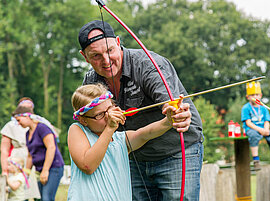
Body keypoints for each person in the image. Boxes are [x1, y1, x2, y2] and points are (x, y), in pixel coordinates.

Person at [78, 20, 203, 200]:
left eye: (110, 50)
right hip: (133, 158)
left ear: (118, 42)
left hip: (175, 150)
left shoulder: (147, 64)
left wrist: (174, 113)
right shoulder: (91, 81)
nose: (106, 61)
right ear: (85, 56)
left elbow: (168, 101)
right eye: (96, 56)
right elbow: (90, 124)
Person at [67, 84, 189, 200]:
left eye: (110, 109)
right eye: (99, 114)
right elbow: (88, 165)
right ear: (83, 120)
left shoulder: (120, 140)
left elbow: (146, 134)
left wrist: (169, 120)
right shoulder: (78, 130)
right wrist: (109, 128)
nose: (109, 116)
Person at [12, 106, 64, 201]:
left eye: (19, 120)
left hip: (53, 168)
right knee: (41, 198)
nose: (18, 124)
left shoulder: (42, 128)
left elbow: (51, 147)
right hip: (40, 169)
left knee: (47, 198)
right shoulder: (28, 133)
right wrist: (26, 173)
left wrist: (45, 170)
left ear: (27, 116)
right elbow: (30, 155)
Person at [1, 98, 41, 200]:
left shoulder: (37, 124)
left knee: (35, 189)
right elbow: (4, 150)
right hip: (17, 160)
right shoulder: (10, 126)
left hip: (33, 157)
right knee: (17, 190)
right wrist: (5, 168)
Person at [241, 81, 270, 172]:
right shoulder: (246, 108)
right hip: (252, 129)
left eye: (257, 94)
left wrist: (266, 130)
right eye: (252, 95)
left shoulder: (263, 107)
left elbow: (267, 121)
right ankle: (256, 160)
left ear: (260, 95)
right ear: (247, 97)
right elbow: (248, 123)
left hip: (264, 129)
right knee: (254, 136)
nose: (255, 97)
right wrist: (260, 130)